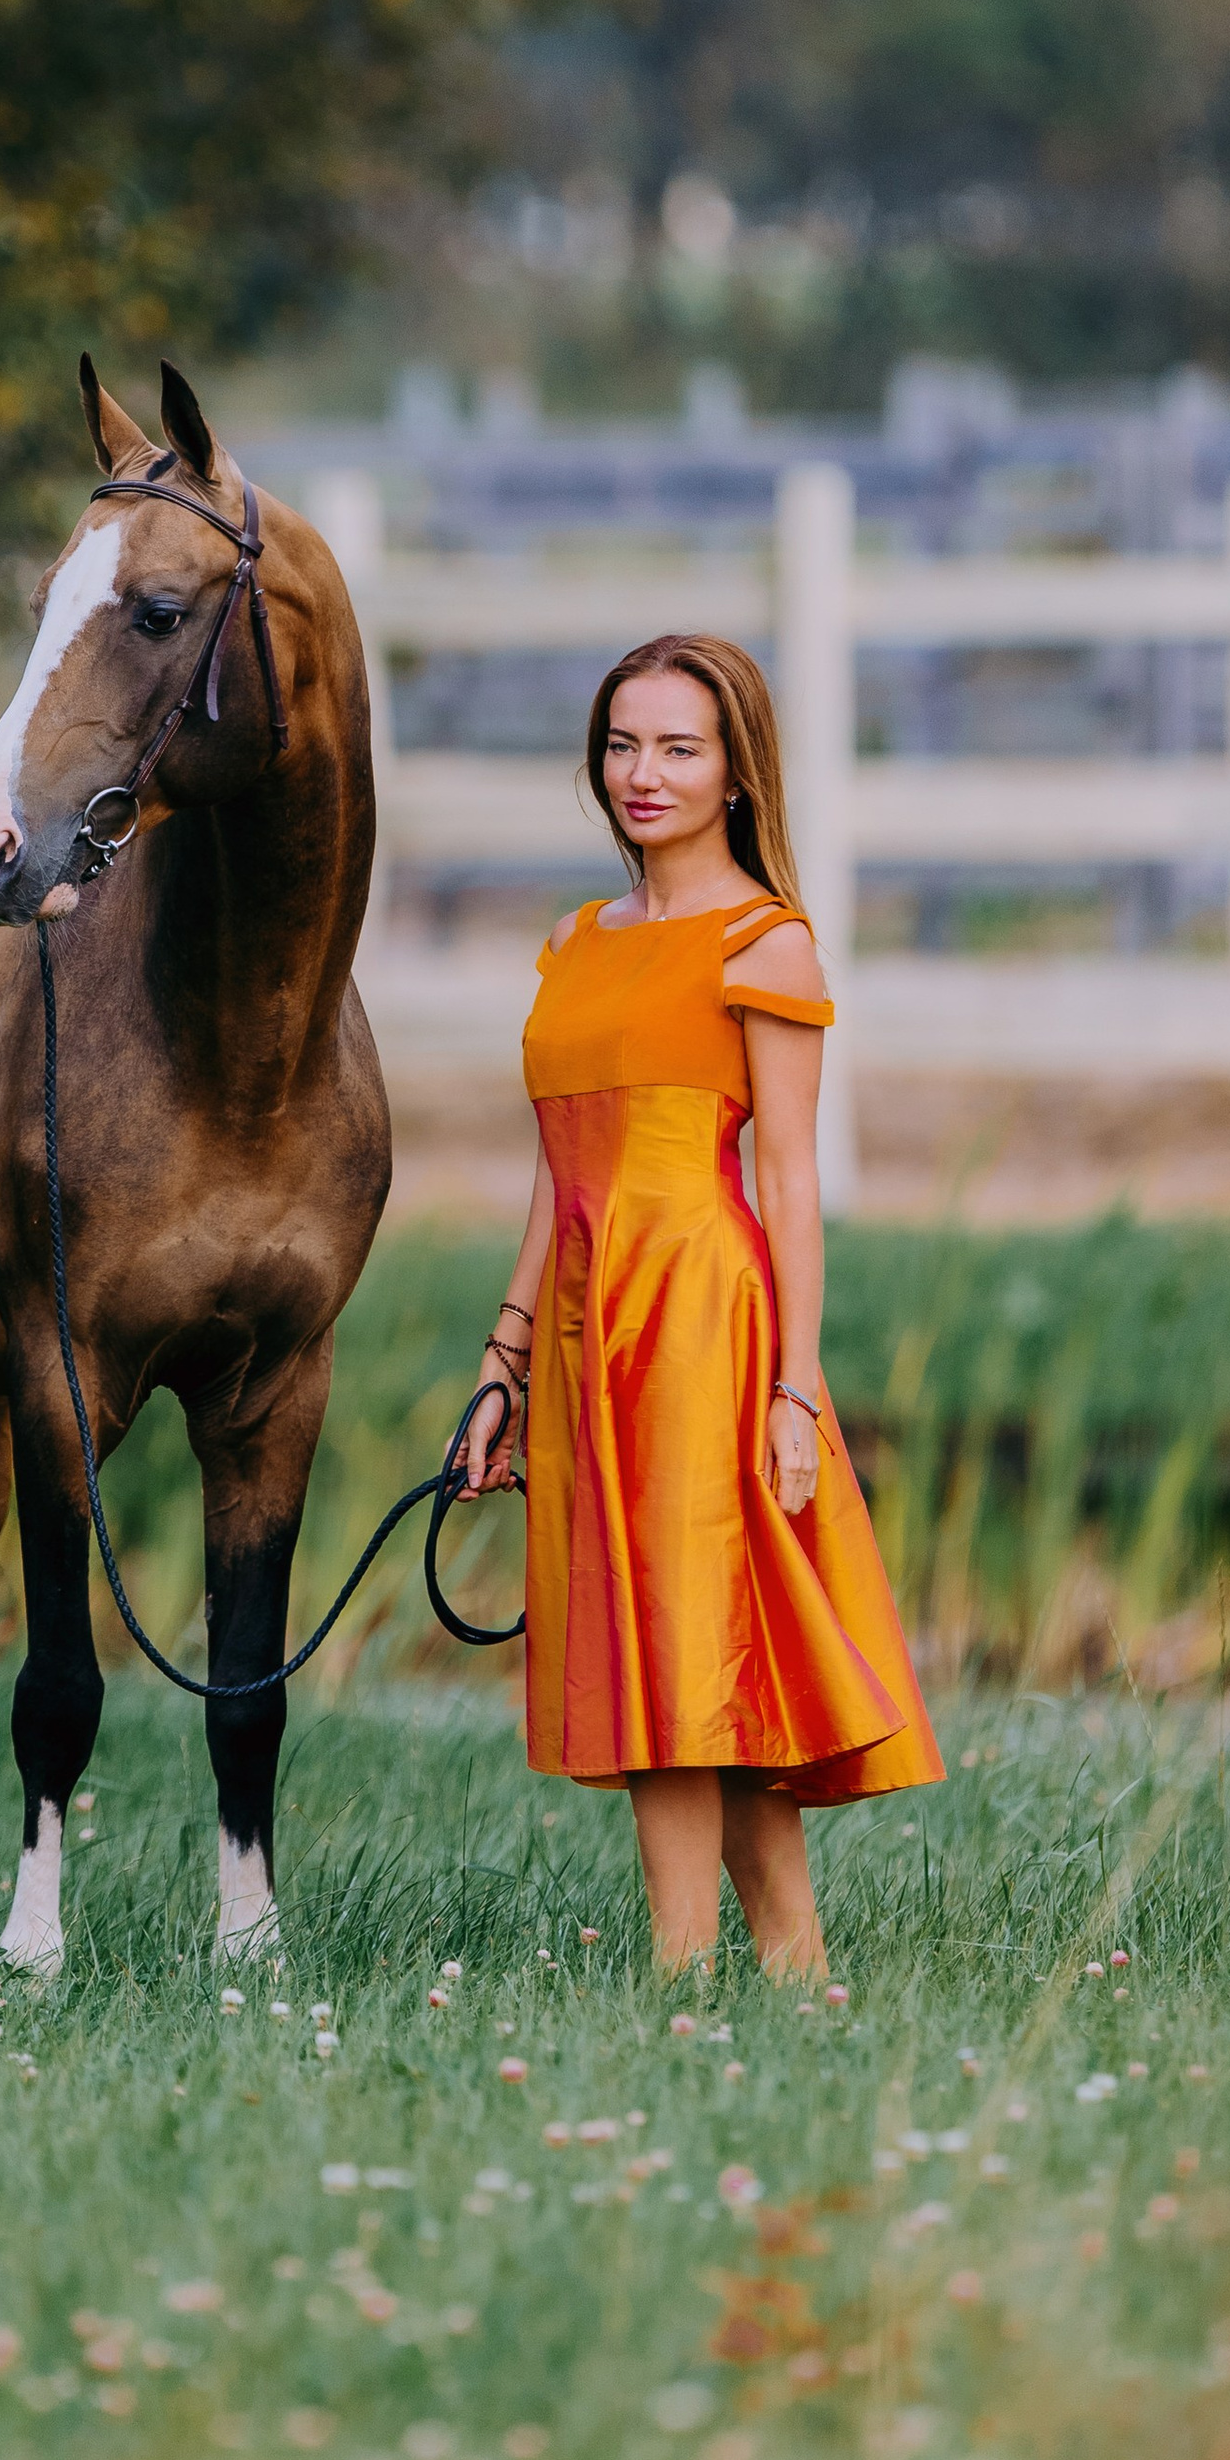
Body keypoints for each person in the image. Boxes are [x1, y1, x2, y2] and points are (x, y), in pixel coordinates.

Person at [458, 632, 940, 1977]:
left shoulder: (765, 942)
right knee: (666, 1641)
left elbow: (788, 1182)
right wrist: (502, 1365)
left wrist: (795, 1385)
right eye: (623, 745)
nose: (644, 773)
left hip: (698, 1322)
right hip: (579, 1326)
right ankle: (794, 1974)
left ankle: (686, 1977)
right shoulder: (575, 942)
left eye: (679, 747)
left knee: (684, 1640)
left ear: (736, 772)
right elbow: (555, 1179)